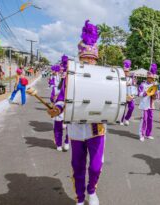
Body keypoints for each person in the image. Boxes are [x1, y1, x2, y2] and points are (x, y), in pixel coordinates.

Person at [48, 20, 103, 205]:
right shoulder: (71, 77)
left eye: (92, 59)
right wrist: (58, 107)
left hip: (97, 127)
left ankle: (91, 190)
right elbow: (63, 97)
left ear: (96, 60)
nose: (89, 62)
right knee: (77, 165)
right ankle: (80, 198)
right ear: (81, 59)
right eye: (85, 59)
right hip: (76, 128)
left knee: (95, 166)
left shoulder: (104, 77)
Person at [50, 62, 69, 152]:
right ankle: (61, 143)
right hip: (61, 105)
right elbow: (53, 96)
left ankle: (65, 142)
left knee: (67, 126)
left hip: (68, 106)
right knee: (59, 126)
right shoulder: (58, 85)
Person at [138, 63, 158, 142]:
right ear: (147, 77)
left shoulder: (154, 85)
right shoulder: (143, 84)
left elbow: (156, 96)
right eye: (150, 78)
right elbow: (139, 94)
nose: (151, 79)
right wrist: (146, 93)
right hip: (144, 105)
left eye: (152, 78)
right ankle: (141, 134)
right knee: (144, 120)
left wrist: (154, 95)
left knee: (150, 119)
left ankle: (148, 134)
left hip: (151, 105)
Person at [120, 59, 136, 126]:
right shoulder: (120, 78)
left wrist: (133, 95)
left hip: (129, 95)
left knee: (132, 107)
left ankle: (126, 119)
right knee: (122, 108)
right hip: (123, 95)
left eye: (127, 71)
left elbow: (134, 87)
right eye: (125, 71)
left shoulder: (131, 79)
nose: (126, 72)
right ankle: (121, 120)